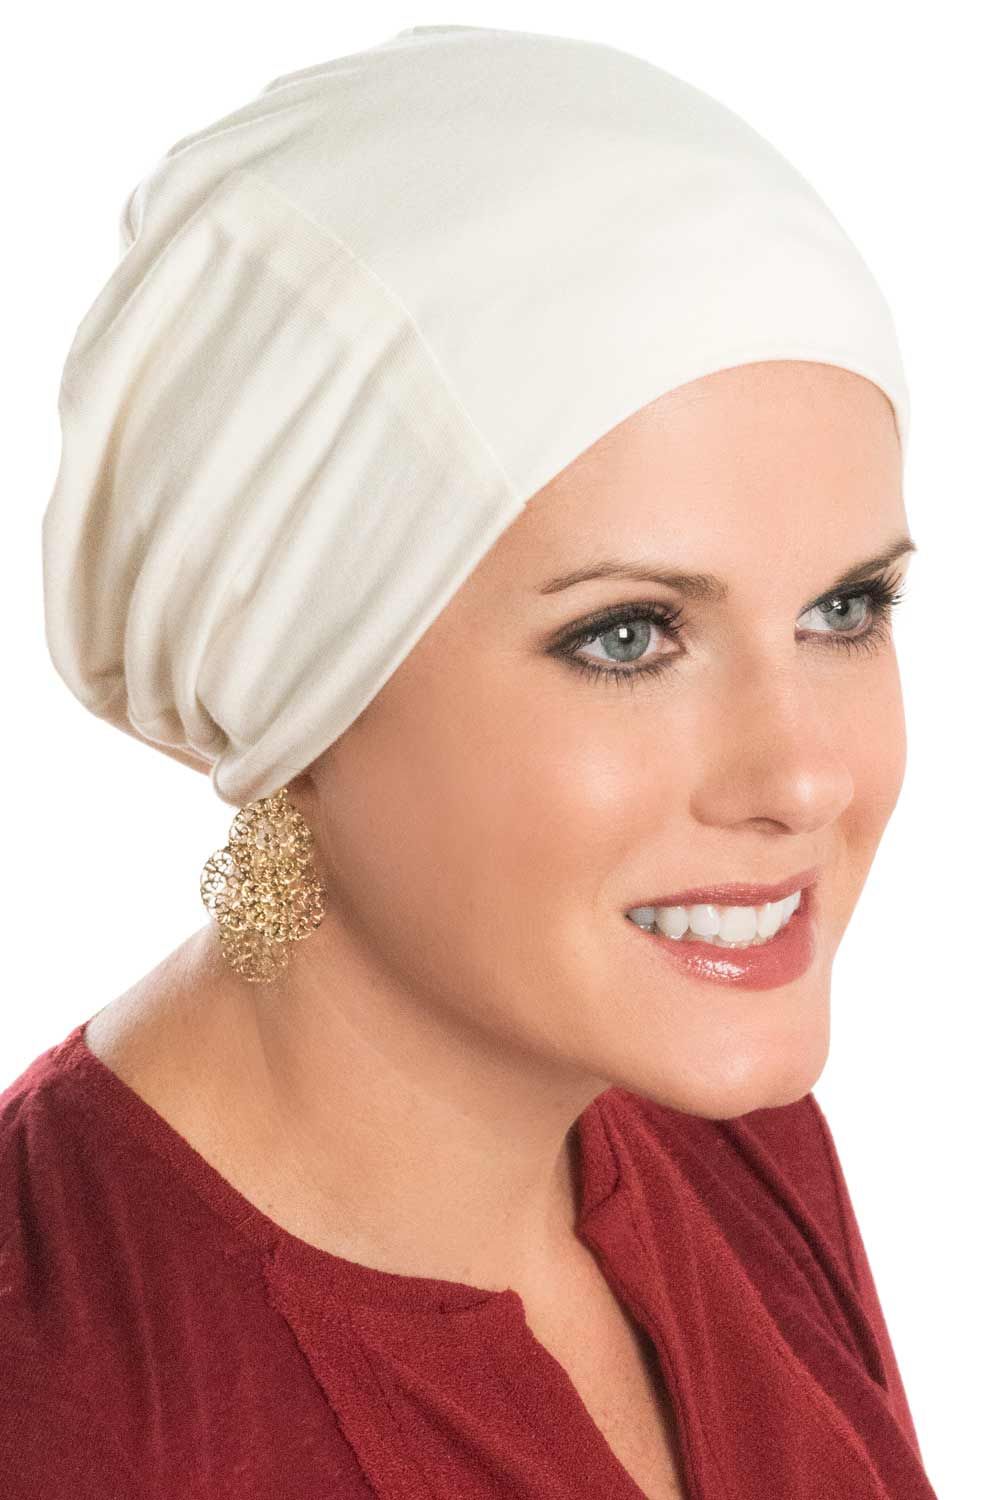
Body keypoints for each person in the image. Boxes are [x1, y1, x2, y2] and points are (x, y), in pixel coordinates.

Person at [2, 25, 936, 1500]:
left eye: (845, 609)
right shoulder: (64, 1403)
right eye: (629, 636)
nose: (804, 779)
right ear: (293, 673)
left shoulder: (723, 1136)